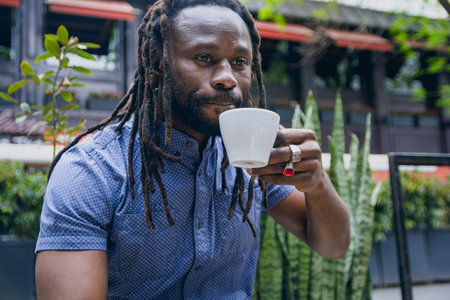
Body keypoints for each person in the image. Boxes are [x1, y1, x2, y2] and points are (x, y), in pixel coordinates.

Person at [35, 0, 350, 299]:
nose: (227, 78)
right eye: (204, 58)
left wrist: (317, 185)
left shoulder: (251, 161)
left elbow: (334, 246)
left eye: (239, 62)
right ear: (159, 64)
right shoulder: (92, 170)